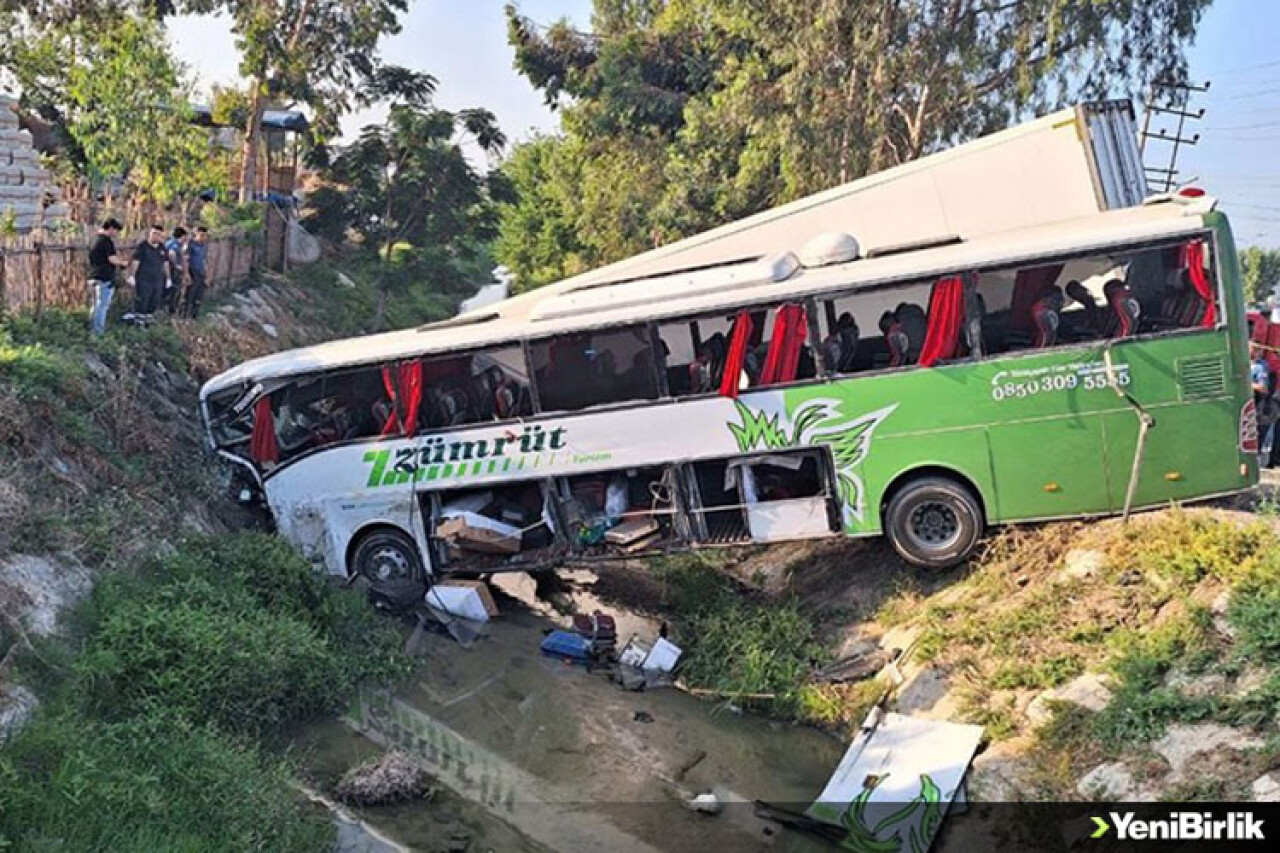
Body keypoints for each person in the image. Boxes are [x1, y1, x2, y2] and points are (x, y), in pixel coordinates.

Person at [86, 218, 126, 335]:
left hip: (93, 276)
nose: (116, 234)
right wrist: (122, 263)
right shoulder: (106, 241)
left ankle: (91, 328)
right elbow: (111, 258)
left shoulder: (94, 240)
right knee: (102, 306)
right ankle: (98, 331)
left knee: (95, 305)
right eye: (116, 231)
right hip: (104, 278)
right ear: (111, 228)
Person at [124, 224, 171, 322]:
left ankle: (148, 322)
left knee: (154, 301)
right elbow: (136, 262)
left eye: (159, 234)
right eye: (154, 233)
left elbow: (166, 263)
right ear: (149, 234)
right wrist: (132, 276)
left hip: (158, 280)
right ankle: (139, 324)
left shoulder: (162, 248)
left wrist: (168, 278)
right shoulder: (142, 247)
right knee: (142, 301)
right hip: (144, 280)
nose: (156, 236)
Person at [183, 226, 209, 318]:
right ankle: (185, 315)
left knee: (199, 295)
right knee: (190, 294)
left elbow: (204, 261)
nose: (203, 237)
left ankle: (194, 315)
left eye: (204, 236)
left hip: (200, 272)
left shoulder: (203, 246)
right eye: (201, 235)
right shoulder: (190, 244)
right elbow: (186, 259)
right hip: (192, 271)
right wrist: (186, 274)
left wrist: (206, 275)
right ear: (196, 234)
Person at [164, 226, 189, 315]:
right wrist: (177, 266)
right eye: (184, 237)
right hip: (173, 272)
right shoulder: (174, 244)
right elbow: (171, 254)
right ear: (181, 236)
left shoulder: (168, 242)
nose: (185, 240)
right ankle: (171, 312)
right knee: (174, 292)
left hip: (167, 271)